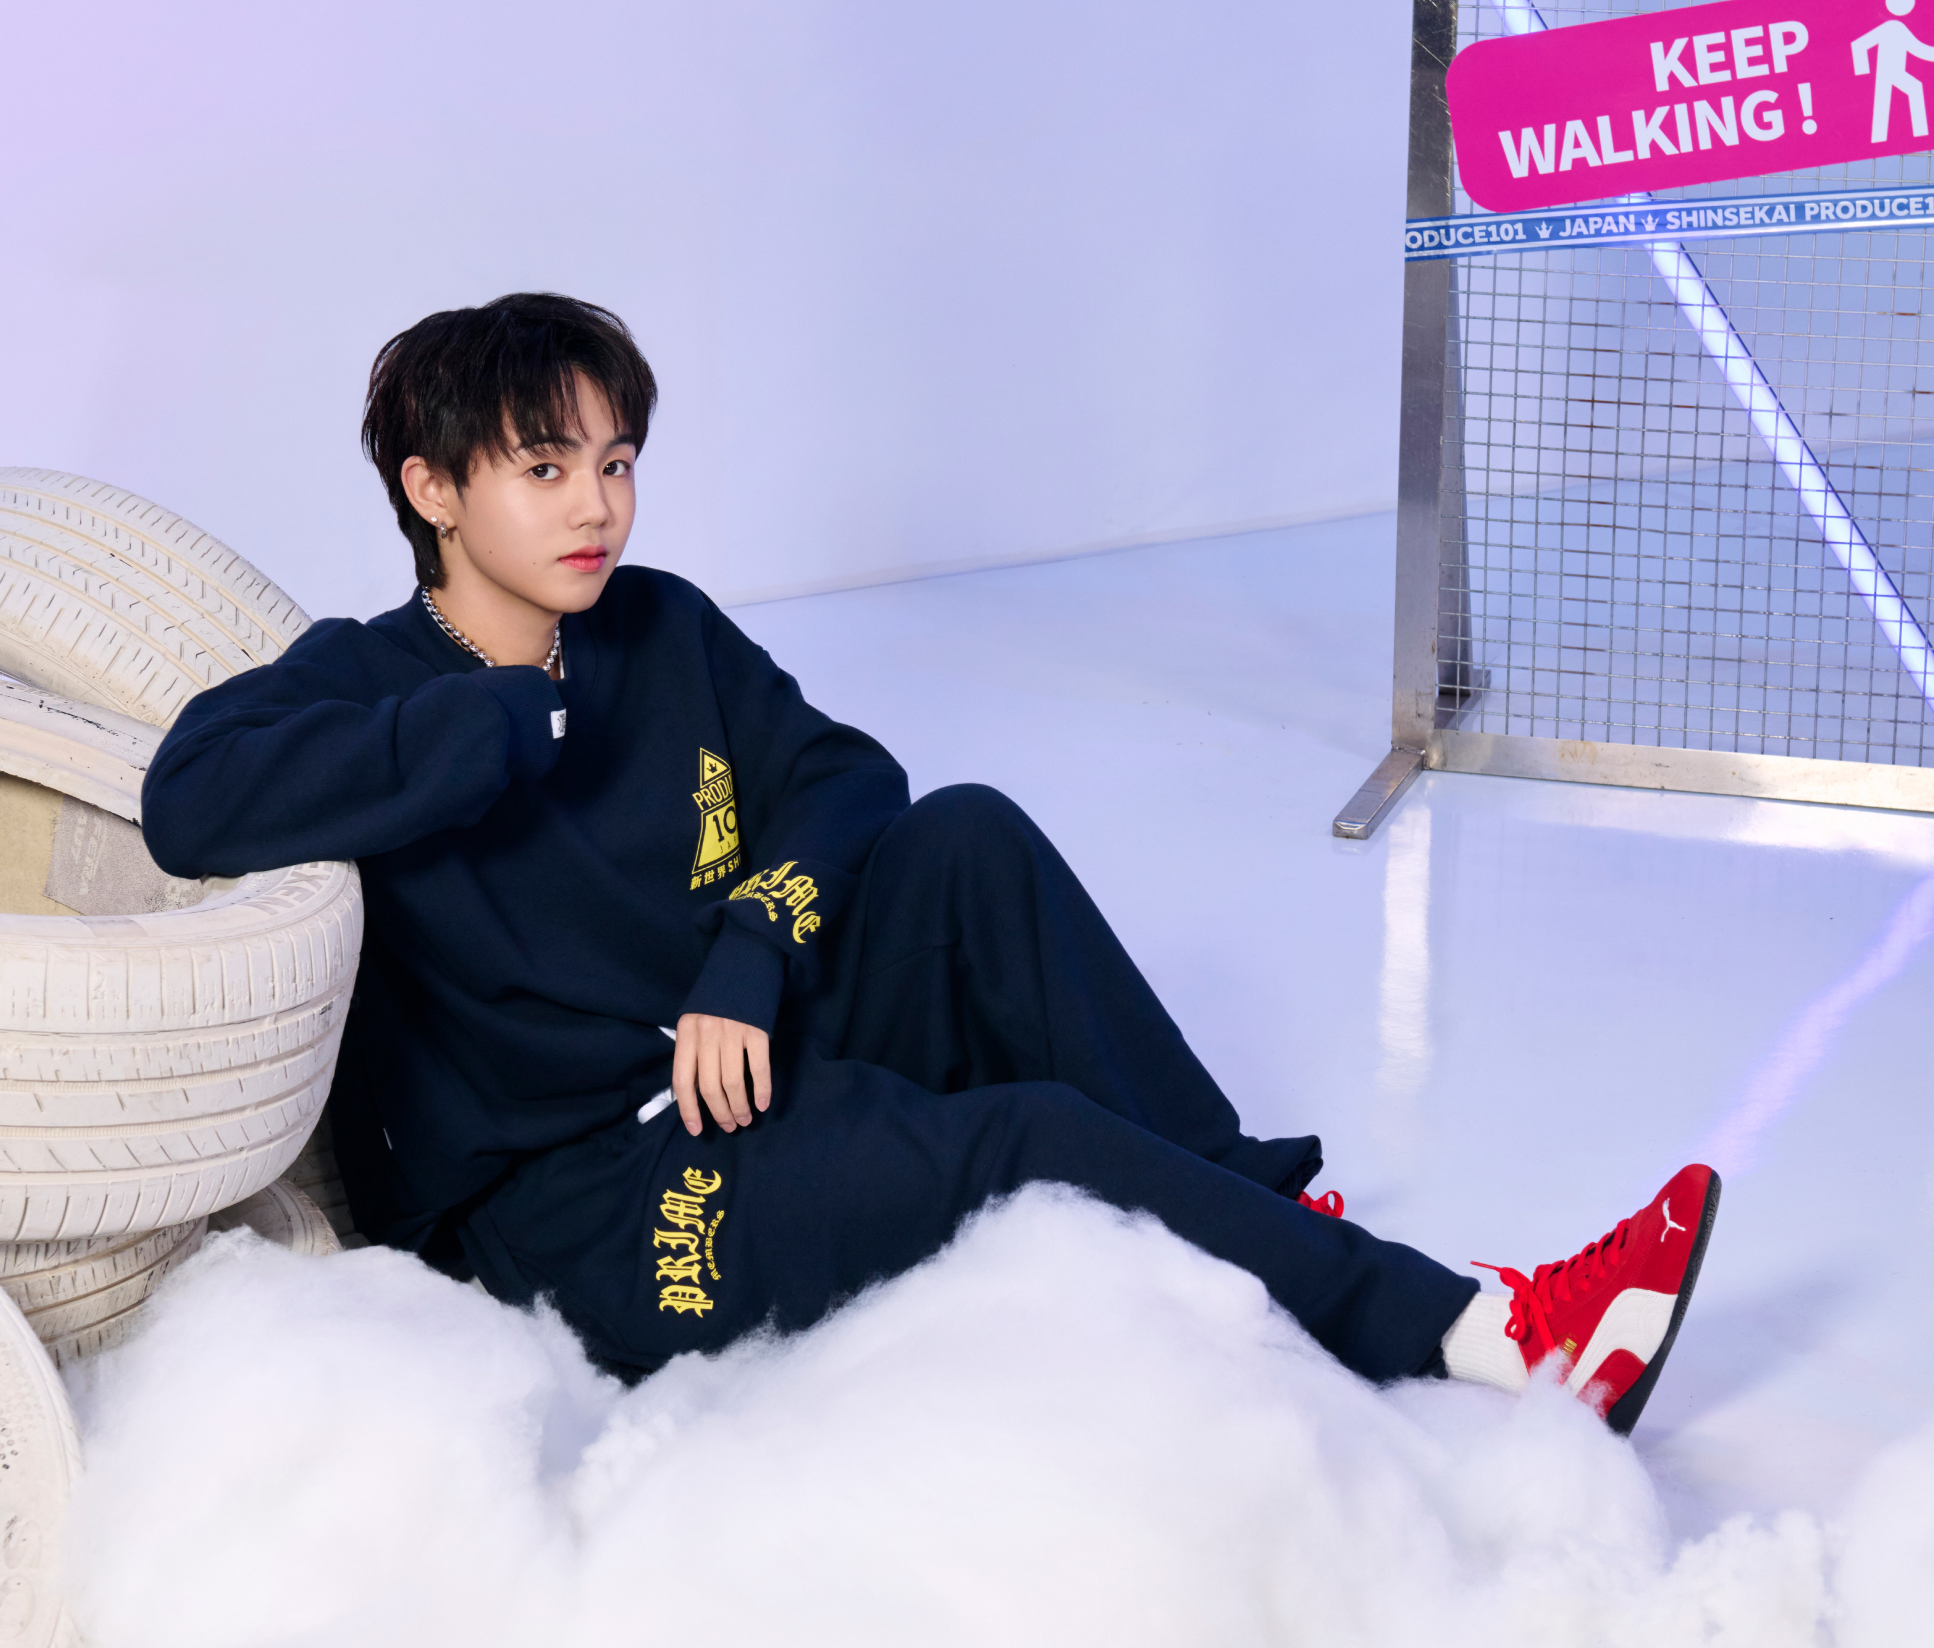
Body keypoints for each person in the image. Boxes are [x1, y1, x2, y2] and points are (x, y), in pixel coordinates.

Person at [142, 293, 1718, 1425]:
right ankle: (1497, 1341)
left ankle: (1256, 1225)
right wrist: (479, 726)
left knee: (967, 838)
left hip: (729, 1062)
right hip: (582, 1209)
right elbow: (188, 802)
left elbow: (846, 777)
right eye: (544, 470)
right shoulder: (360, 679)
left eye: (615, 461)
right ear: (432, 491)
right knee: (1023, 1139)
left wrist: (752, 949)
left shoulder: (655, 626)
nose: (596, 507)